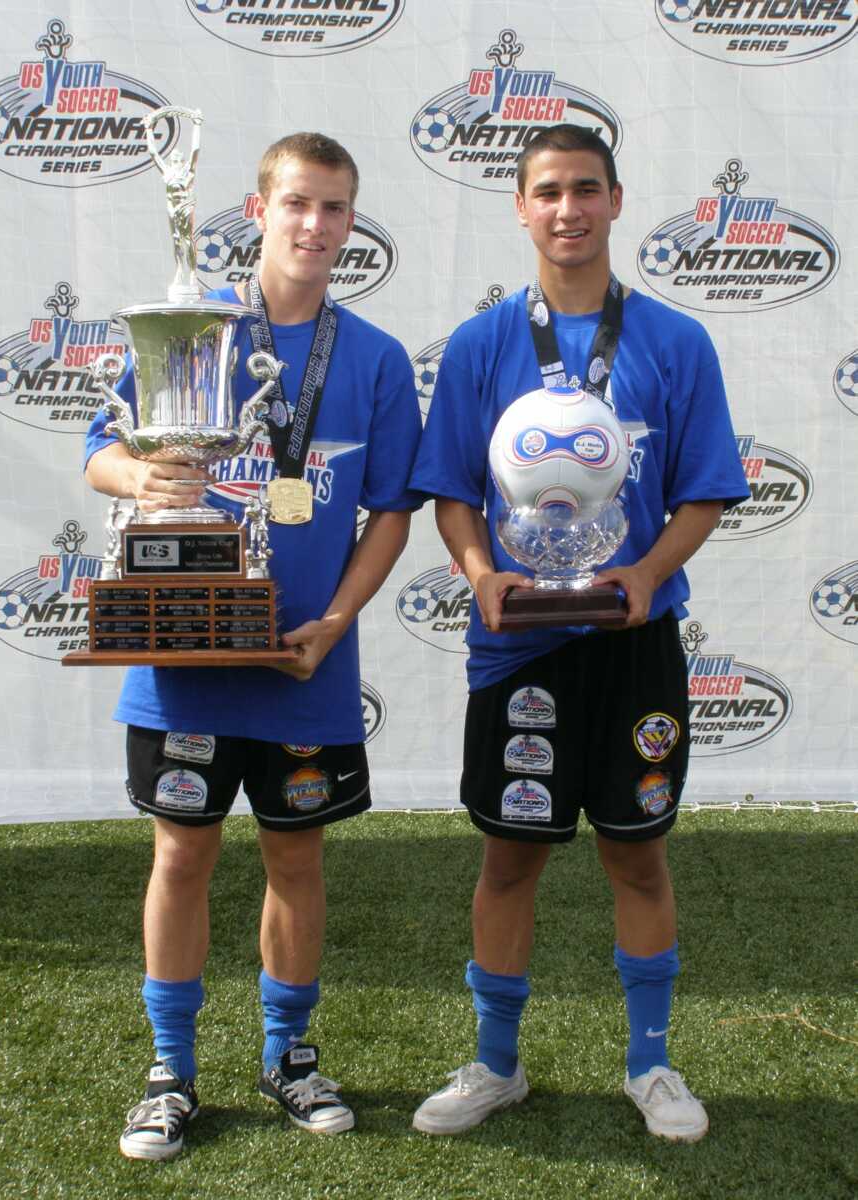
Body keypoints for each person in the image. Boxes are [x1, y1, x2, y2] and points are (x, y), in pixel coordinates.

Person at [84, 132, 421, 1160]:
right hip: (183, 657)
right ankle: (170, 1073)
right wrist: (139, 481)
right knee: (181, 855)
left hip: (303, 666)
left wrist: (336, 623)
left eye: (334, 209)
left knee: (296, 860)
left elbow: (393, 514)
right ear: (258, 209)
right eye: (297, 205)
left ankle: (289, 1056)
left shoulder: (373, 359)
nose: (315, 226)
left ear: (352, 225)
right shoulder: (192, 333)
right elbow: (100, 453)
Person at [408, 125, 748, 1143]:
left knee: (638, 857)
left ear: (616, 200)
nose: (568, 209)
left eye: (586, 190)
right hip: (520, 645)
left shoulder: (676, 342)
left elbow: (706, 489)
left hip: (635, 639)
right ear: (521, 207)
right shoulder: (478, 348)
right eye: (548, 191)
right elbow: (450, 494)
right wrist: (481, 575)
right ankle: (496, 1064)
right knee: (510, 858)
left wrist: (646, 572)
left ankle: (651, 1066)